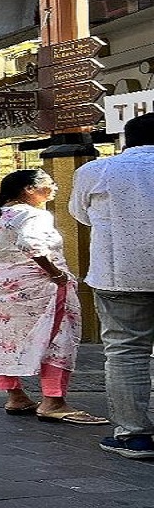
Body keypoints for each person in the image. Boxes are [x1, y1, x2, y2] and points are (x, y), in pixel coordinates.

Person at [0, 170, 105, 426]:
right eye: (50, 184)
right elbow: (32, 246)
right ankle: (53, 401)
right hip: (41, 288)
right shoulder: (33, 215)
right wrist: (57, 274)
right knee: (57, 338)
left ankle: (15, 396)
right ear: (29, 189)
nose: (55, 189)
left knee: (4, 340)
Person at [70, 112, 154, 458]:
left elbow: (80, 214)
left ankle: (134, 436)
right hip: (120, 275)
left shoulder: (96, 170)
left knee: (126, 351)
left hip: (121, 274)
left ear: (125, 141)